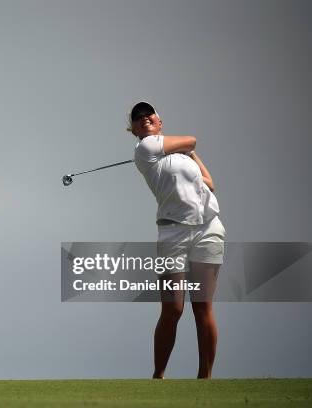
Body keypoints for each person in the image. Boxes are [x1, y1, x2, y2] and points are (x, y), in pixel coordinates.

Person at [129, 101, 226, 379]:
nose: (144, 117)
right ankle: (158, 376)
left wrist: (191, 154)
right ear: (134, 129)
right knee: (173, 308)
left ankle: (204, 378)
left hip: (208, 228)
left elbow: (209, 182)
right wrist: (189, 147)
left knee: (202, 307)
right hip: (174, 232)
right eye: (138, 118)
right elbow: (192, 138)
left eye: (149, 114)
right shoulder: (145, 149)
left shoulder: (183, 157)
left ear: (160, 122)